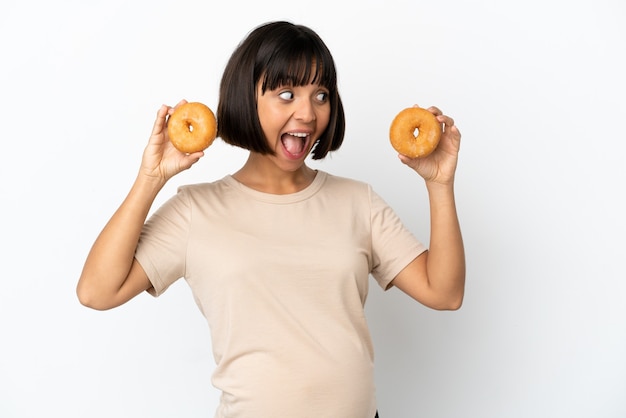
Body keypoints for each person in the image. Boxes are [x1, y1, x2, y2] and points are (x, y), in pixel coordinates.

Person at [77, 21, 465, 418]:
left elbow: (444, 293)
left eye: (320, 95)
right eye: (286, 94)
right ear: (248, 99)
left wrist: (439, 184)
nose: (308, 113)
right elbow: (97, 291)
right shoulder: (197, 209)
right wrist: (150, 178)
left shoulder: (356, 201)